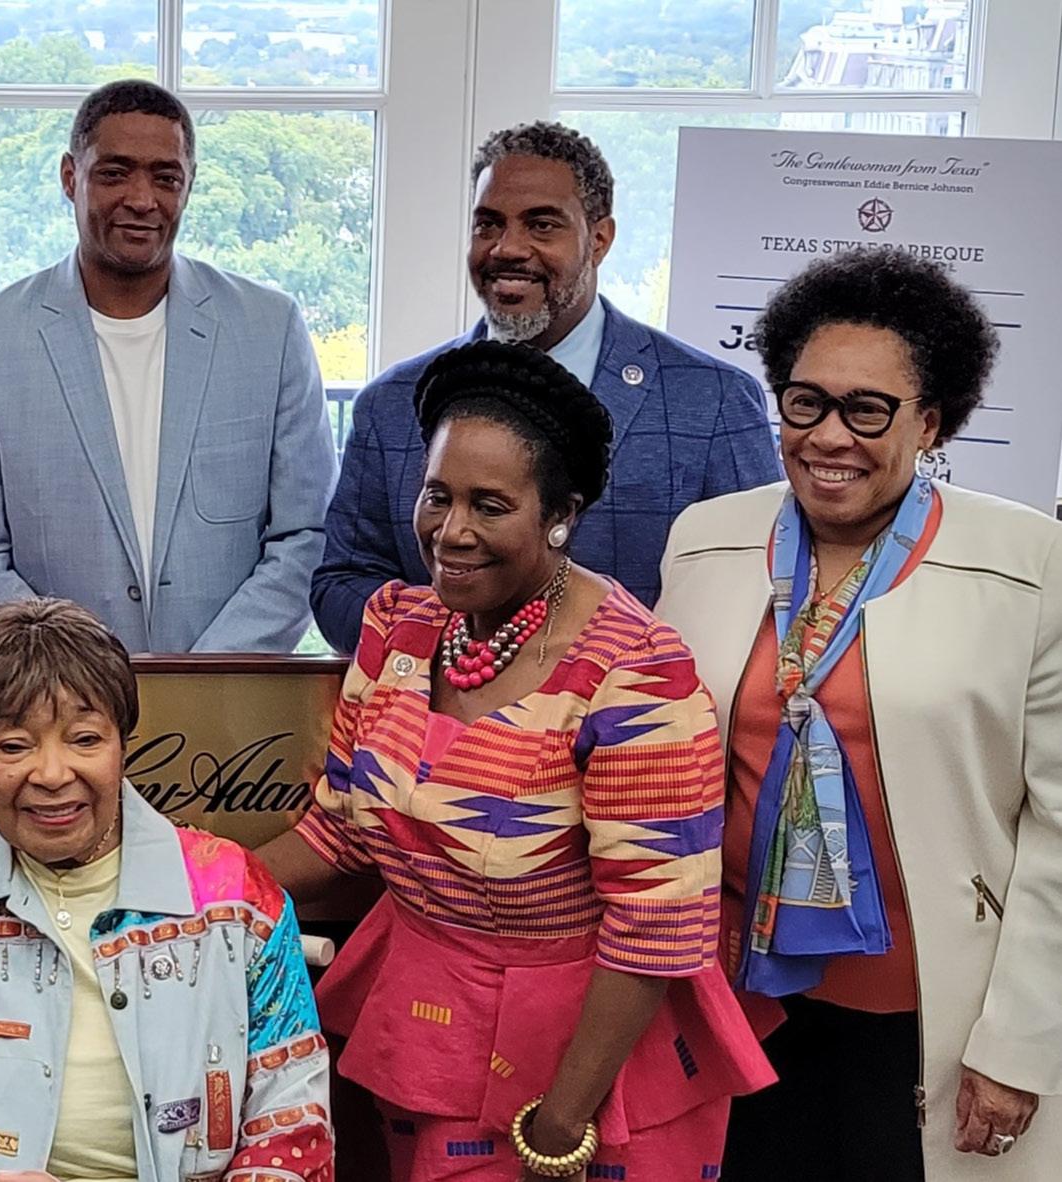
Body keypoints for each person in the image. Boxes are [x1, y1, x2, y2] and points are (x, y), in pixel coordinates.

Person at [259, 342, 772, 1180]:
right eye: (438, 495)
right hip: (426, 1025)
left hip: (582, 1057)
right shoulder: (397, 627)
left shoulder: (635, 675)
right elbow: (340, 830)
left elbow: (654, 931)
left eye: (490, 505)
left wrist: (562, 1125)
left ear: (560, 515)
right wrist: (191, 881)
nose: (451, 531)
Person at [657, 248, 1062, 1181]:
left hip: (931, 1012)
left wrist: (1020, 1040)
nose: (828, 436)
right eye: (806, 403)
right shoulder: (705, 540)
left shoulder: (1029, 564)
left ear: (931, 422)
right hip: (728, 994)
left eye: (867, 410)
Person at [0, 598, 332, 1180]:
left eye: (84, 739)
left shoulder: (236, 898)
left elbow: (290, 1123)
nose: (52, 774)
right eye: (14, 746)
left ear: (124, 746)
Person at [311, 121, 779, 653]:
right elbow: (341, 586)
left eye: (541, 225)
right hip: (443, 701)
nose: (507, 248)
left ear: (599, 240)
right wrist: (471, 647)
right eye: (488, 225)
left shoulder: (712, 402)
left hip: (640, 705)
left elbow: (756, 589)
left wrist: (607, 667)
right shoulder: (392, 404)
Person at [0, 79, 333, 655]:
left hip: (229, 691)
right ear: (70, 177)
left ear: (189, 185)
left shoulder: (271, 329)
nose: (142, 199)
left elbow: (305, 535)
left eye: (166, 178)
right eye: (115, 173)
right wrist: (76, 672)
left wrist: (204, 675)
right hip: (50, 691)